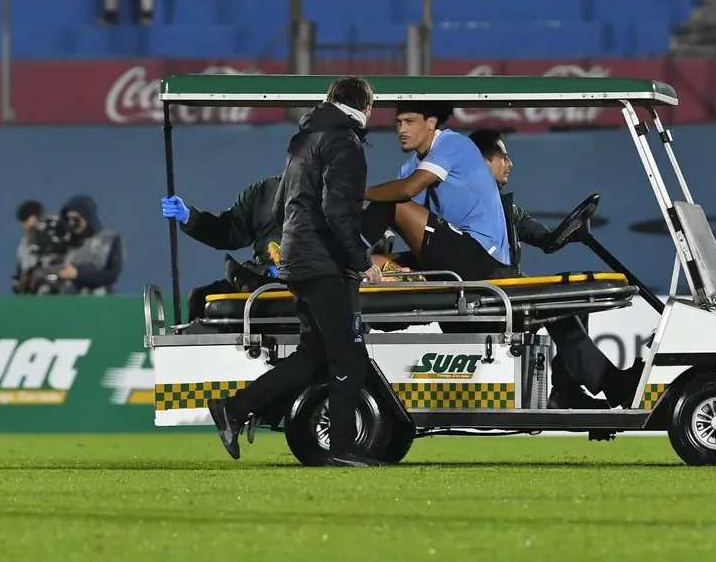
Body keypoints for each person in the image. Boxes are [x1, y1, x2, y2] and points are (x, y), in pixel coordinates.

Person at [207, 77, 384, 468]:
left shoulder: (303, 140)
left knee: (314, 354)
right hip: (325, 262)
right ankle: (340, 448)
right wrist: (362, 261)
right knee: (348, 357)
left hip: (298, 259)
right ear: (365, 107)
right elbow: (338, 212)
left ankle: (234, 409)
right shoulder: (345, 142)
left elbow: (278, 208)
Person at [468, 129, 644, 409]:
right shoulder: (466, 203)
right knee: (558, 307)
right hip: (487, 298)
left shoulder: (506, 208)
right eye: (503, 157)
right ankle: (612, 385)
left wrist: (568, 232)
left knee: (575, 298)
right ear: (481, 162)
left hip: (507, 292)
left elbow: (547, 240)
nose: (510, 164)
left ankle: (566, 390)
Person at [359, 102, 515, 282]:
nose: (402, 129)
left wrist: (358, 193)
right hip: (450, 252)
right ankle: (346, 259)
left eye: (409, 122)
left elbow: (407, 191)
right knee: (370, 264)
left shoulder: (453, 143)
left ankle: (346, 252)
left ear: (431, 123)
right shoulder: (409, 168)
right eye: (399, 122)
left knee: (393, 201)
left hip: (485, 258)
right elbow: (403, 218)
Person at [161, 176, 282, 322]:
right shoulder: (261, 193)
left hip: (310, 283)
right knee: (199, 298)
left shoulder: (316, 195)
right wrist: (187, 216)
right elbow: (229, 230)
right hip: (262, 281)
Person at [53, 195, 126, 295]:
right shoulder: (65, 244)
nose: (72, 224)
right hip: (67, 301)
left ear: (87, 217)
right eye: (68, 220)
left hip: (97, 300)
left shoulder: (109, 240)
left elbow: (111, 274)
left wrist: (78, 274)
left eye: (75, 219)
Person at [12, 200, 46, 294]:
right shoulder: (24, 244)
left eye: (25, 220)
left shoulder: (54, 233)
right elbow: (21, 267)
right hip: (31, 293)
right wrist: (19, 281)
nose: (23, 225)